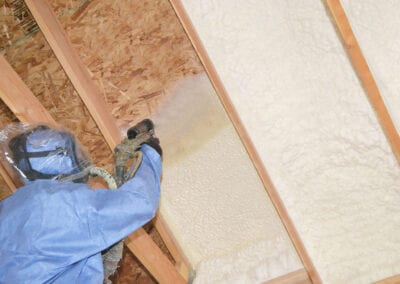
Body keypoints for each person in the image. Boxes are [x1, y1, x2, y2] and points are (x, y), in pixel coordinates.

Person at [0, 121, 162, 283]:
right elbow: (139, 203)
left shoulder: (9, 208)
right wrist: (151, 154)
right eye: (74, 153)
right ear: (63, 159)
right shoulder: (60, 204)